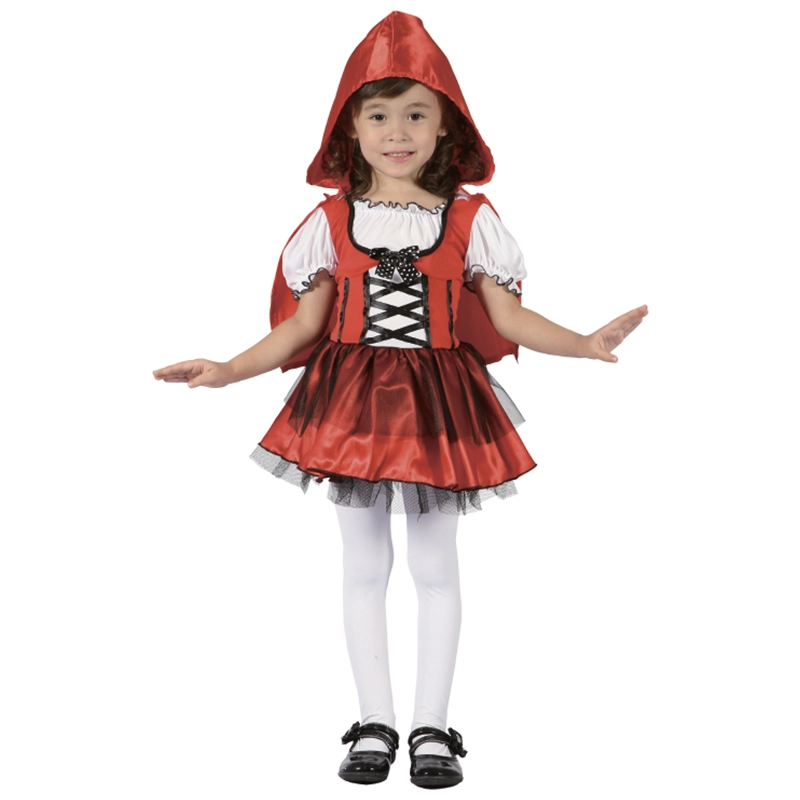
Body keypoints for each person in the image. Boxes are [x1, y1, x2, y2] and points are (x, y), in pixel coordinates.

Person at [153, 11, 647, 790]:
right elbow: (302, 327)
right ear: (350, 128)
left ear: (445, 124)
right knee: (362, 563)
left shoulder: (471, 220)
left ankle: (432, 728)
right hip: (348, 404)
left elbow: (508, 317)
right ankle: (374, 723)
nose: (397, 131)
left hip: (439, 404)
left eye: (417, 113)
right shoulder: (329, 222)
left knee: (435, 563)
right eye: (379, 114)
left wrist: (583, 342)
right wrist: (228, 368)